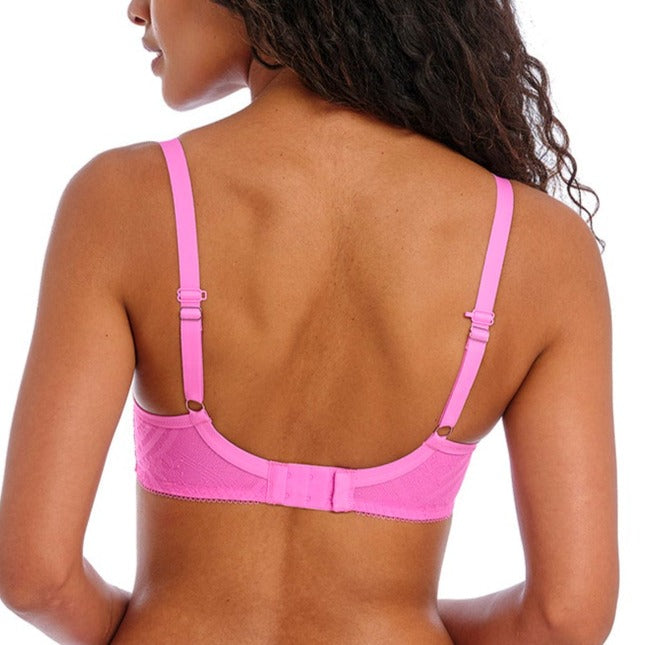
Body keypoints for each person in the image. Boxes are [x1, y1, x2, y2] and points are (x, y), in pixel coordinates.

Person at [0, 1, 618, 643]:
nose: (136, 9)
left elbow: (35, 578)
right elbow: (566, 619)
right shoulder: (542, 250)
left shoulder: (121, 202)